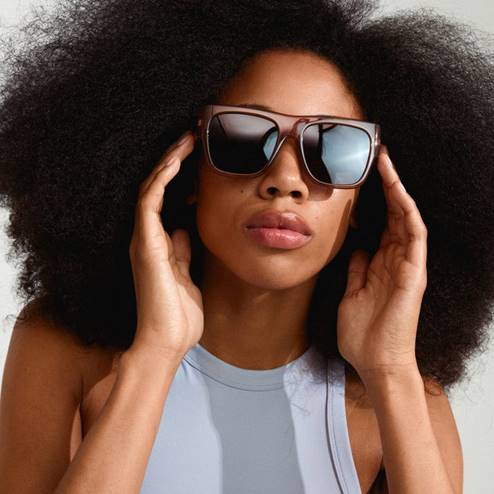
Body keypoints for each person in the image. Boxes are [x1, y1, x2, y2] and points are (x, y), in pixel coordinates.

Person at [0, 0, 492, 492]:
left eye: (333, 147)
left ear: (364, 195)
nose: (286, 180)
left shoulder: (402, 400)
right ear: (188, 170)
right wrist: (156, 353)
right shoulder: (65, 353)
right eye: (243, 136)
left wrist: (390, 368)